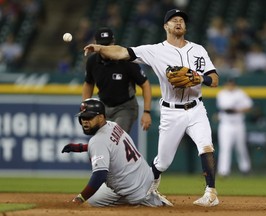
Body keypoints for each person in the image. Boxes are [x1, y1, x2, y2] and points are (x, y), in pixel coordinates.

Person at [83, 9, 220, 207]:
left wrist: (201, 78)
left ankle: (211, 193)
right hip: (171, 111)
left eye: (182, 20)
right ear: (166, 26)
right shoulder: (155, 50)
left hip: (196, 108)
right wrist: (99, 49)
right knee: (163, 162)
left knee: (206, 145)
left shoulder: (198, 50)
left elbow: (214, 80)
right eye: (174, 20)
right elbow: (123, 52)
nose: (179, 22)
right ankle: (150, 189)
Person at [62, 98, 173, 207]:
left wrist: (79, 199)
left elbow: (99, 175)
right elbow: (109, 146)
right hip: (145, 177)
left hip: (135, 191)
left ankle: (152, 202)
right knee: (94, 199)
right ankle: (142, 197)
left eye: (89, 117)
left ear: (101, 117)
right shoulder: (112, 125)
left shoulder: (97, 141)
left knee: (91, 197)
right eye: (82, 117)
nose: (85, 121)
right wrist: (81, 147)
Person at [83, 27, 152, 133]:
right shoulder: (92, 61)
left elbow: (145, 84)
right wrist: (85, 105)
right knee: (101, 141)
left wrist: (147, 112)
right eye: (102, 45)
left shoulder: (126, 60)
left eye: (108, 45)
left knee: (115, 136)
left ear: (113, 43)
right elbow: (88, 83)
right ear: (96, 45)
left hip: (125, 108)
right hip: (104, 107)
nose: (105, 48)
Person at [216, 77, 253, 177]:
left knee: (241, 148)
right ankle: (223, 171)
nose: (230, 85)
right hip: (226, 124)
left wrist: (238, 110)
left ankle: (245, 169)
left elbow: (249, 106)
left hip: (238, 124)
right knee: (225, 148)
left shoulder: (240, 93)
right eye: (228, 84)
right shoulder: (222, 94)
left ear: (234, 84)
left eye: (232, 84)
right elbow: (225, 107)